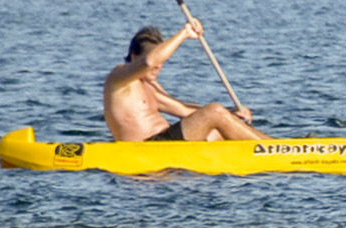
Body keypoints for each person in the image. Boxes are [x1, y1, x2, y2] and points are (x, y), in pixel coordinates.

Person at [103, 20, 267, 143]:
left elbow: (183, 110)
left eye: (162, 60)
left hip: (167, 143)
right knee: (214, 111)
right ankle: (273, 150)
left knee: (220, 129)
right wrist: (185, 33)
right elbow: (149, 62)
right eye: (158, 58)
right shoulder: (119, 77)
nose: (158, 66)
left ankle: (272, 147)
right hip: (148, 147)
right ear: (134, 56)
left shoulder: (149, 85)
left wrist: (230, 114)